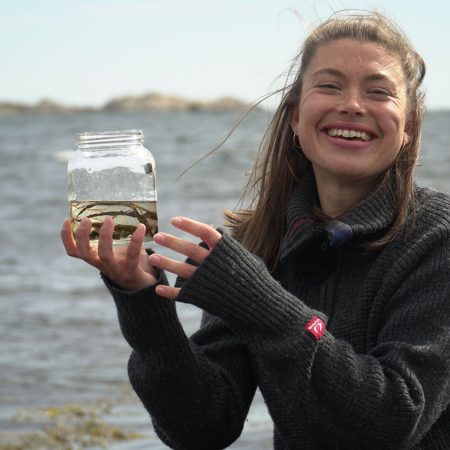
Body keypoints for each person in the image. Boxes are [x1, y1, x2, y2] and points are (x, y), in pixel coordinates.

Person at [61, 11, 450, 449]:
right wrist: (142, 299)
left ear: (409, 126)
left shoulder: (438, 237)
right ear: (294, 116)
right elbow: (204, 426)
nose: (353, 104)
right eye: (329, 85)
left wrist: (259, 300)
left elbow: (394, 419)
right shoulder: (260, 242)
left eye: (378, 91)